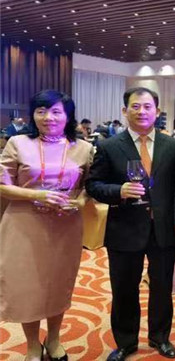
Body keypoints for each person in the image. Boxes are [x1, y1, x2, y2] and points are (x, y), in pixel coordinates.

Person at [86, 87, 175, 361]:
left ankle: (160, 336)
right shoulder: (108, 146)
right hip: (125, 228)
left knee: (162, 287)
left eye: (147, 106)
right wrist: (118, 190)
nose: (142, 111)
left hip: (163, 228)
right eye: (135, 106)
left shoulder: (174, 146)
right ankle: (126, 342)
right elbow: (93, 184)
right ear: (124, 110)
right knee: (124, 288)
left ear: (157, 111)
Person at [0, 90, 93, 361]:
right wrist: (37, 195)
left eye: (55, 112)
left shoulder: (83, 147)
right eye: (41, 111)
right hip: (23, 224)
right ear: (33, 115)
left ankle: (54, 339)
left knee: (58, 283)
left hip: (65, 226)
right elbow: (2, 185)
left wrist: (79, 202)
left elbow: (89, 186)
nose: (48, 117)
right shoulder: (18, 143)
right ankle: (32, 345)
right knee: (26, 285)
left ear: (67, 116)